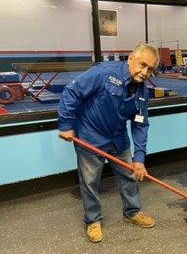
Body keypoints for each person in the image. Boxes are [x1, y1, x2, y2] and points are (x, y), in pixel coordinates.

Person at [58, 43, 158, 243]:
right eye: (142, 65)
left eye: (150, 69)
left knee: (129, 175)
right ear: (131, 58)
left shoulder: (142, 92)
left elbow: (140, 124)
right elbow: (72, 93)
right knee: (90, 181)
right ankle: (92, 220)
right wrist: (66, 123)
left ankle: (132, 211)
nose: (145, 72)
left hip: (118, 138)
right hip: (90, 136)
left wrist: (139, 158)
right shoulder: (103, 73)